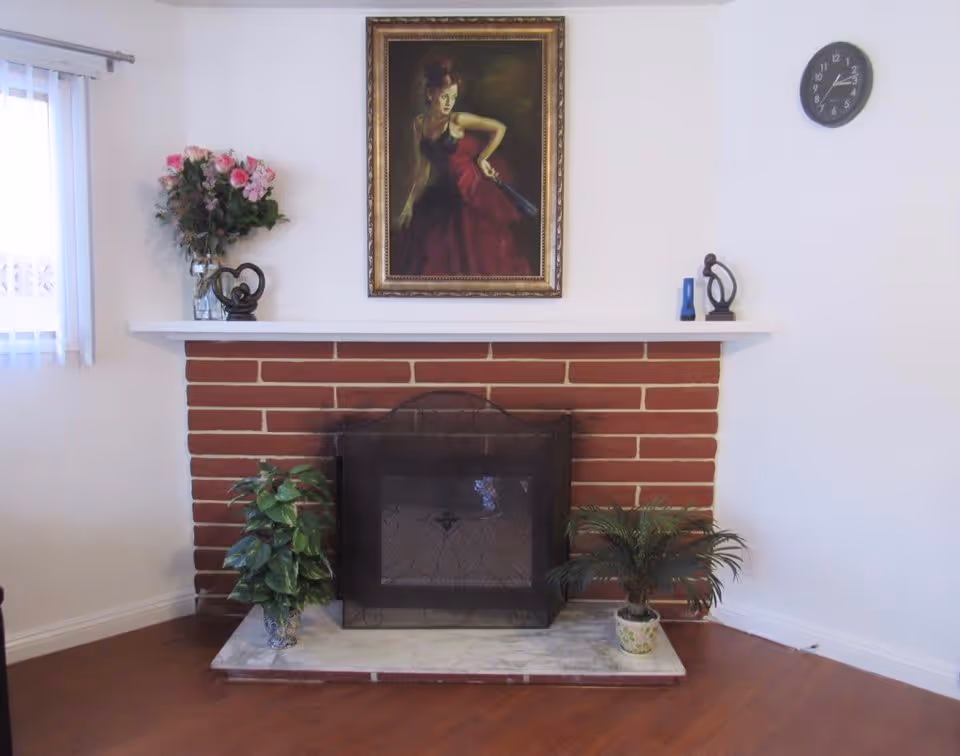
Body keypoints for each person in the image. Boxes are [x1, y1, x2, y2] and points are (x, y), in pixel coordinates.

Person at [393, 59, 532, 277]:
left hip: (466, 189)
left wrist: (483, 158)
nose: (449, 103)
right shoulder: (419, 125)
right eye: (444, 96)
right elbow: (422, 170)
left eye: (453, 98)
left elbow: (499, 128)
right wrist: (409, 204)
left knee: (473, 254)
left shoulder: (457, 120)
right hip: (443, 191)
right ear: (430, 94)